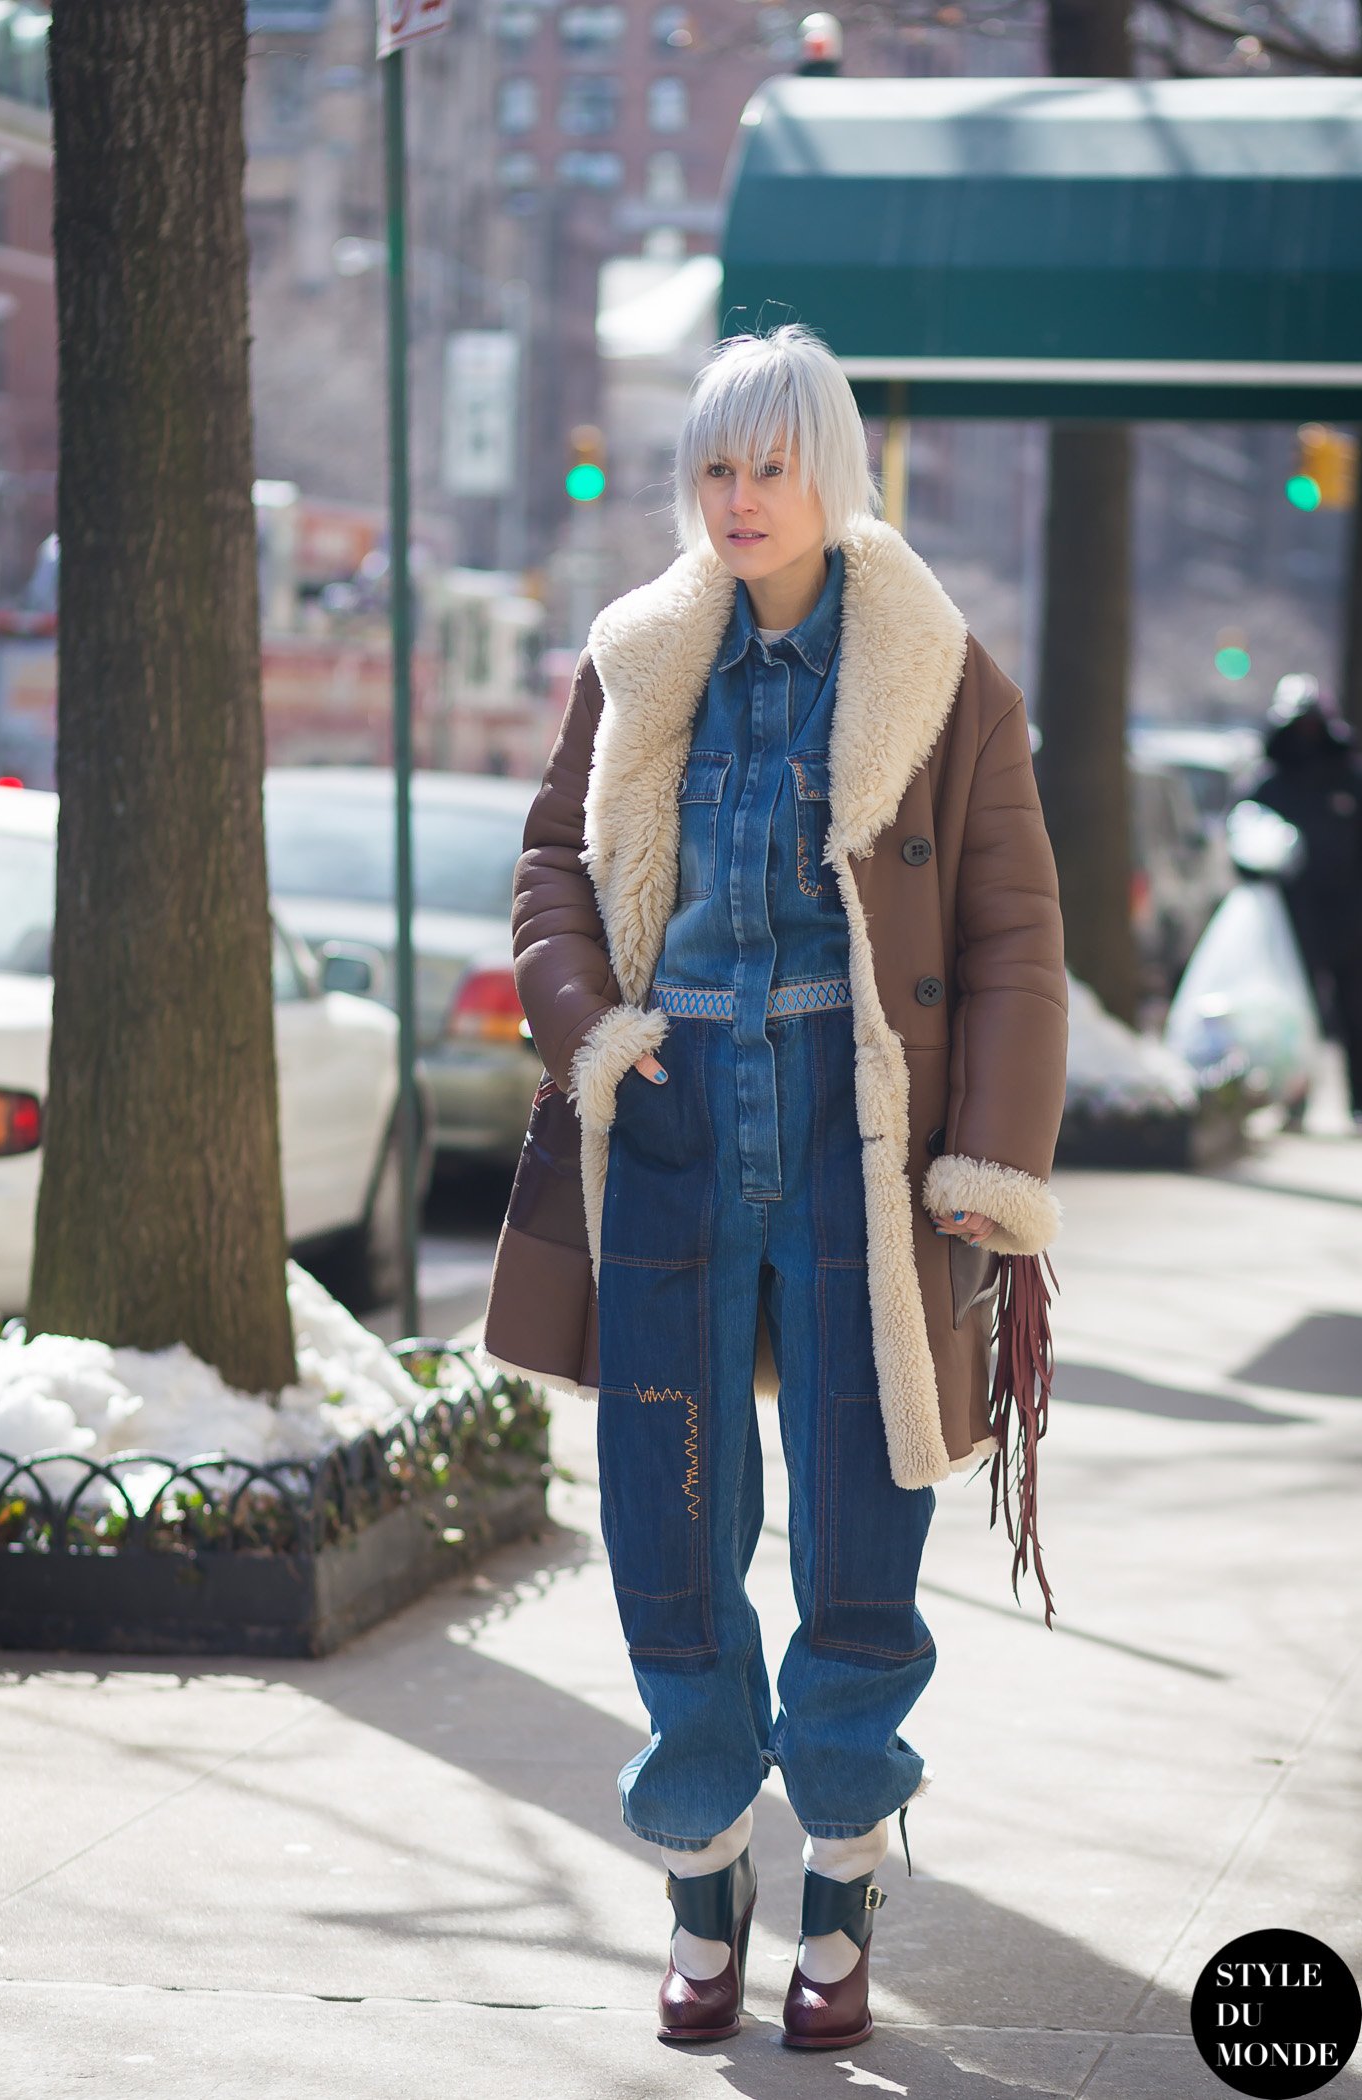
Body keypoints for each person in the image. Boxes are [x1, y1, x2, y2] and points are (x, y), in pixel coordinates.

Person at [480, 323, 1068, 2051]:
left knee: (861, 1514)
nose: (739, 500)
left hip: (854, 1133)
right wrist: (596, 1030)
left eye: (769, 466)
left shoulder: (941, 677)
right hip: (667, 1118)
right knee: (669, 1516)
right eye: (715, 469)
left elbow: (1017, 934)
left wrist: (993, 1164)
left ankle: (838, 1881)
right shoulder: (639, 658)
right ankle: (696, 1879)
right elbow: (549, 872)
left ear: (831, 473)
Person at [1239, 675, 1362, 1125]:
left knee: (1355, 1011)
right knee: (1296, 1013)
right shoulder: (1270, 784)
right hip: (1294, 919)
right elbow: (1243, 840)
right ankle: (1295, 1098)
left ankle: (1358, 1101)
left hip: (1351, 916)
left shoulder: (1349, 779)